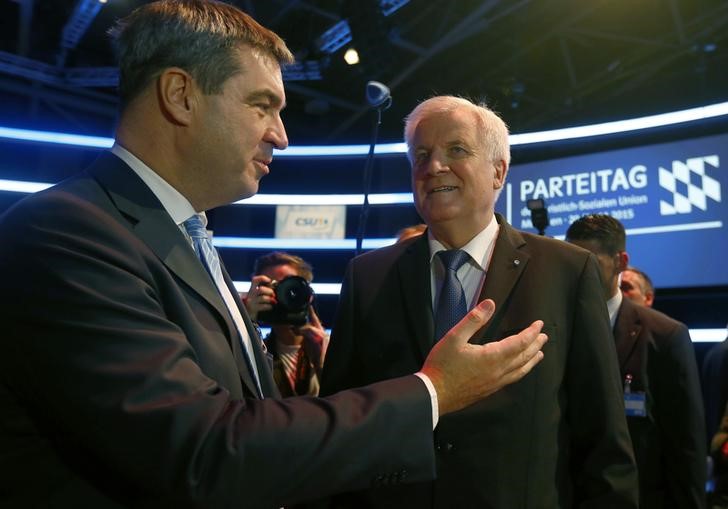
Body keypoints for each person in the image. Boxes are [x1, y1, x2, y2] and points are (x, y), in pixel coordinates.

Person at [0, 3, 549, 508]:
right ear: (180, 95)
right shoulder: (69, 234)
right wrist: (434, 391)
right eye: (262, 105)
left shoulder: (183, 235)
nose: (282, 136)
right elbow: (208, 453)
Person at [320, 95, 638, 508]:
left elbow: (604, 441)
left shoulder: (567, 271)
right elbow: (342, 424)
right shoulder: (367, 276)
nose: (434, 166)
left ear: (498, 171)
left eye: (456, 150)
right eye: (421, 154)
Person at [566, 213, 706, 509]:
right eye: (571, 265)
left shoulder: (665, 336)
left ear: (621, 261)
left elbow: (685, 444)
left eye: (590, 264)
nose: (578, 274)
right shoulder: (554, 328)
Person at [244, 251, 327, 397]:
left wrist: (324, 363)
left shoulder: (332, 347)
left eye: (290, 287)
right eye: (273, 287)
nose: (283, 294)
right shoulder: (254, 349)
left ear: (308, 294)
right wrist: (246, 322)